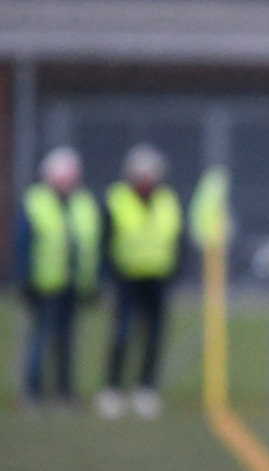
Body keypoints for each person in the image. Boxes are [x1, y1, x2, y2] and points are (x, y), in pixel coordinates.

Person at [94, 143, 184, 420]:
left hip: (158, 278)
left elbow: (178, 241)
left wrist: (176, 272)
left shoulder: (168, 200)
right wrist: (106, 275)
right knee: (122, 334)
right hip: (126, 278)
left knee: (154, 336)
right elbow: (104, 241)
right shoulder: (117, 199)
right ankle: (112, 389)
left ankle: (146, 389)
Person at [14, 146, 101, 409]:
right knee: (40, 338)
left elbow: (91, 245)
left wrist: (91, 281)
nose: (67, 180)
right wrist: (25, 280)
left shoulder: (84, 203)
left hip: (73, 284)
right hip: (44, 284)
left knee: (67, 341)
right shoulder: (36, 202)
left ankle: (65, 391)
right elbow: (23, 245)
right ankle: (33, 391)